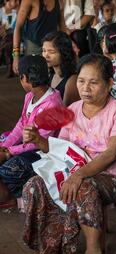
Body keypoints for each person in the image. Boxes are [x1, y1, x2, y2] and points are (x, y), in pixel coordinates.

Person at [21, 54, 116, 254]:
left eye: (93, 82)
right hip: (73, 171)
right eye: (82, 81)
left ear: (109, 83)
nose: (85, 88)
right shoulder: (72, 108)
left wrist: (78, 175)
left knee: (83, 187)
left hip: (110, 176)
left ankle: (94, 252)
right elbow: (61, 148)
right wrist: (38, 140)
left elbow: (112, 153)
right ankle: (46, 247)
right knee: (35, 184)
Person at [0, 55, 63, 209]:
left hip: (44, 152)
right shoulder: (30, 96)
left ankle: (19, 197)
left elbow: (38, 143)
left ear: (25, 78)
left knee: (8, 169)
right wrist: (4, 146)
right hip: (28, 144)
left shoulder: (52, 104)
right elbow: (21, 125)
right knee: (2, 140)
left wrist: (8, 153)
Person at [12, 0, 65, 74]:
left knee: (55, 79)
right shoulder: (29, 1)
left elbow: (62, 26)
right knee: (35, 80)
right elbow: (18, 27)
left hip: (52, 47)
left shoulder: (59, 1)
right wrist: (16, 56)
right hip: (34, 46)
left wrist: (68, 46)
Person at [42, 31, 80, 106]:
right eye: (44, 51)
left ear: (63, 53)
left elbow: (65, 113)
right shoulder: (51, 75)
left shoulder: (72, 80)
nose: (46, 55)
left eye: (51, 52)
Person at [0, 0, 18, 77]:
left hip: (11, 34)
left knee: (9, 44)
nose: (14, 2)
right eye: (11, 1)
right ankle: (10, 68)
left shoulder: (16, 12)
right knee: (7, 42)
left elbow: (16, 26)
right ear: (5, 1)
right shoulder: (1, 11)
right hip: (2, 34)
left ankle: (10, 67)